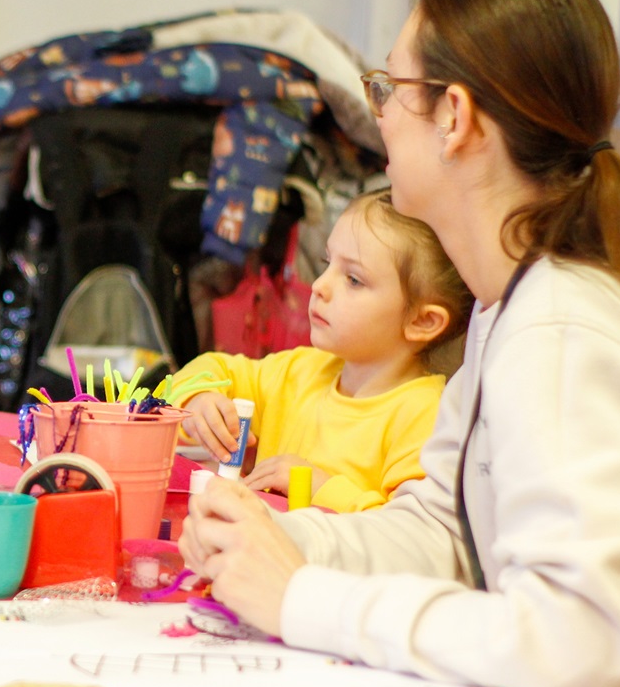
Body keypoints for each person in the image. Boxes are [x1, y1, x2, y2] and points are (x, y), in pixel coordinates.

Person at [181, 0, 620, 687]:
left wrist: (303, 599)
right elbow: (444, 528)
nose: (380, 114)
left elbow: (575, 644)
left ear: (456, 117)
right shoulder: (516, 307)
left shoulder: (562, 338)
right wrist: (282, 539)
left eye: (389, 89)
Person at [174, 191, 472, 511]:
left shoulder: (427, 416)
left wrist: (320, 487)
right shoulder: (301, 370)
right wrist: (198, 401)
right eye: (327, 263)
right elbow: (210, 370)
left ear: (422, 320)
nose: (319, 286)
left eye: (353, 279)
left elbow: (411, 535)